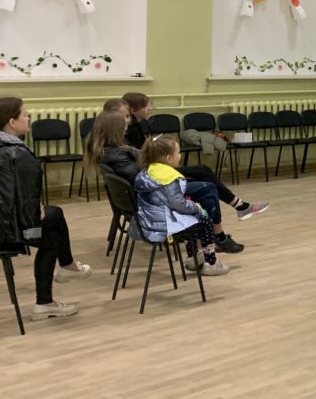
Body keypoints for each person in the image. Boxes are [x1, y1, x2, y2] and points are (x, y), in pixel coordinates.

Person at [0, 97, 91, 321]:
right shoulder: (17, 152)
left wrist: (36, 209)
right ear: (12, 122)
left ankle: (63, 274)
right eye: (25, 115)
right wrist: (35, 217)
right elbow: (28, 209)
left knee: (53, 216)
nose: (28, 118)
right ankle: (52, 290)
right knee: (50, 233)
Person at [85, 112, 248, 252]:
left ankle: (209, 240)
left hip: (147, 193)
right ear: (115, 130)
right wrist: (159, 164)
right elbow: (140, 177)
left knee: (202, 178)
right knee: (208, 188)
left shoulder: (111, 150)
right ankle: (215, 238)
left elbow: (139, 168)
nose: (126, 128)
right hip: (153, 197)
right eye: (123, 126)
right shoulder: (115, 154)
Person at [108, 95, 268, 221]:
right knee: (206, 181)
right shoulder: (124, 137)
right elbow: (141, 161)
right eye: (125, 116)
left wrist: (153, 147)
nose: (149, 109)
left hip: (155, 173)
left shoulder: (129, 131)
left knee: (203, 171)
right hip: (157, 178)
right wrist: (155, 151)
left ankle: (239, 207)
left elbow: (140, 154)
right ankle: (230, 217)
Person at [134, 136, 230, 276]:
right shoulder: (169, 176)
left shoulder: (148, 171)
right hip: (163, 223)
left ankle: (194, 257)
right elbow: (178, 204)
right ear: (169, 158)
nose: (180, 156)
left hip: (149, 218)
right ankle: (211, 263)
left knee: (190, 217)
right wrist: (196, 207)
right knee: (205, 220)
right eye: (178, 153)